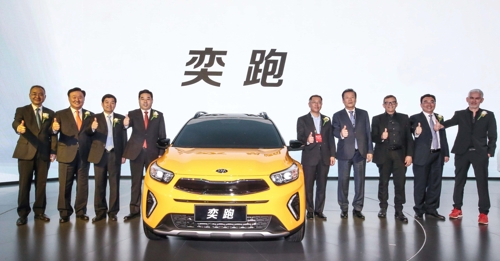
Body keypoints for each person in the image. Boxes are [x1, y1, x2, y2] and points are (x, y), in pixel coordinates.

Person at [436, 89, 497, 225]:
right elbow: (450, 122)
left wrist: (490, 151)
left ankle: (483, 213)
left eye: (477, 98)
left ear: (481, 100)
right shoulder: (461, 114)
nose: (474, 100)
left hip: (480, 153)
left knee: (482, 183)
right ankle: (457, 208)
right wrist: (440, 125)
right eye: (471, 98)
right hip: (462, 152)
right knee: (459, 181)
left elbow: (492, 135)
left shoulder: (488, 115)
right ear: (467, 99)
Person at [12, 85, 56, 226]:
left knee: (41, 185)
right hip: (25, 152)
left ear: (45, 96)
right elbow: (16, 122)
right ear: (29, 95)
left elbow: (53, 133)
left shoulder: (50, 112)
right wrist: (18, 128)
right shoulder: (22, 110)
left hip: (43, 153)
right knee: (24, 185)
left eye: (41, 94)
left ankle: (39, 212)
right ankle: (23, 214)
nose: (37, 96)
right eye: (34, 94)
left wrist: (53, 151)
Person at [122, 90, 166, 221]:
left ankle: (151, 209)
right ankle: (134, 210)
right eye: (142, 98)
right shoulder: (132, 114)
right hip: (136, 153)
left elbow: (162, 135)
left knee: (153, 184)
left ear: (152, 100)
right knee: (135, 182)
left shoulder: (158, 115)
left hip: (152, 153)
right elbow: (126, 126)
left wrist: (161, 153)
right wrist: (125, 124)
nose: (145, 101)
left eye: (148, 98)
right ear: (139, 100)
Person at [52, 87, 94, 223]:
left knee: (83, 185)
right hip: (66, 154)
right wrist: (53, 130)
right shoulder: (60, 114)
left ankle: (81, 211)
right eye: (74, 97)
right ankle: (64, 213)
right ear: (69, 98)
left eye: (80, 97)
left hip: (84, 155)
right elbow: (52, 133)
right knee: (65, 184)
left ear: (84, 99)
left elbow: (92, 135)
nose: (77, 99)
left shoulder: (90, 115)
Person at [371, 95, 414, 222]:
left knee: (400, 184)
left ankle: (399, 210)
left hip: (400, 155)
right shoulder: (377, 119)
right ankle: (383, 208)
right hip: (384, 155)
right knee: (383, 183)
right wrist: (382, 137)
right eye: (387, 103)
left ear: (396, 104)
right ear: (383, 105)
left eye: (392, 102)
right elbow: (372, 136)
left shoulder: (404, 118)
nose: (390, 105)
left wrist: (409, 154)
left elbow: (409, 138)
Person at [332, 89, 373, 219]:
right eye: (347, 98)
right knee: (343, 182)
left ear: (355, 98)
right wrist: (340, 134)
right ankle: (343, 208)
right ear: (343, 100)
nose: (350, 100)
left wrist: (370, 151)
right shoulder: (337, 115)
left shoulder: (363, 113)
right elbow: (334, 130)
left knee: (360, 183)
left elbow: (368, 133)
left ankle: (357, 208)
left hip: (360, 153)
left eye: (352, 97)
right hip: (344, 153)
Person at [86, 94, 127, 223]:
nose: (110, 105)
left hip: (115, 154)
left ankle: (113, 212)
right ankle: (100, 212)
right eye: (107, 102)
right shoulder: (94, 117)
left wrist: (124, 154)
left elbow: (124, 137)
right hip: (100, 154)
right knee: (99, 184)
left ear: (115, 104)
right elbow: (87, 133)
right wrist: (92, 128)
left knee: (114, 184)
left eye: (112, 102)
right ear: (102, 103)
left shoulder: (120, 118)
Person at [409, 94, 449, 220]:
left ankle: (431, 209)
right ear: (421, 105)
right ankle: (419, 210)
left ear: (435, 104)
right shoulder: (414, 118)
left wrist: (446, 153)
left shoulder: (439, 118)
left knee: (435, 184)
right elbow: (410, 134)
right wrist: (416, 132)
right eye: (425, 102)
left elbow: (443, 136)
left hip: (438, 154)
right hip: (422, 156)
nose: (429, 104)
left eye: (432, 101)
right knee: (420, 184)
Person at [297, 95, 336, 220]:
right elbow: (300, 137)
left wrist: (332, 154)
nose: (316, 104)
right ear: (309, 104)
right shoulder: (302, 120)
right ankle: (309, 210)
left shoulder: (326, 119)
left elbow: (330, 138)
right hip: (309, 157)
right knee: (308, 186)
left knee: (322, 185)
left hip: (324, 157)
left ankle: (319, 210)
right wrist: (307, 140)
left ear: (321, 104)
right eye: (314, 102)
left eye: (319, 102)